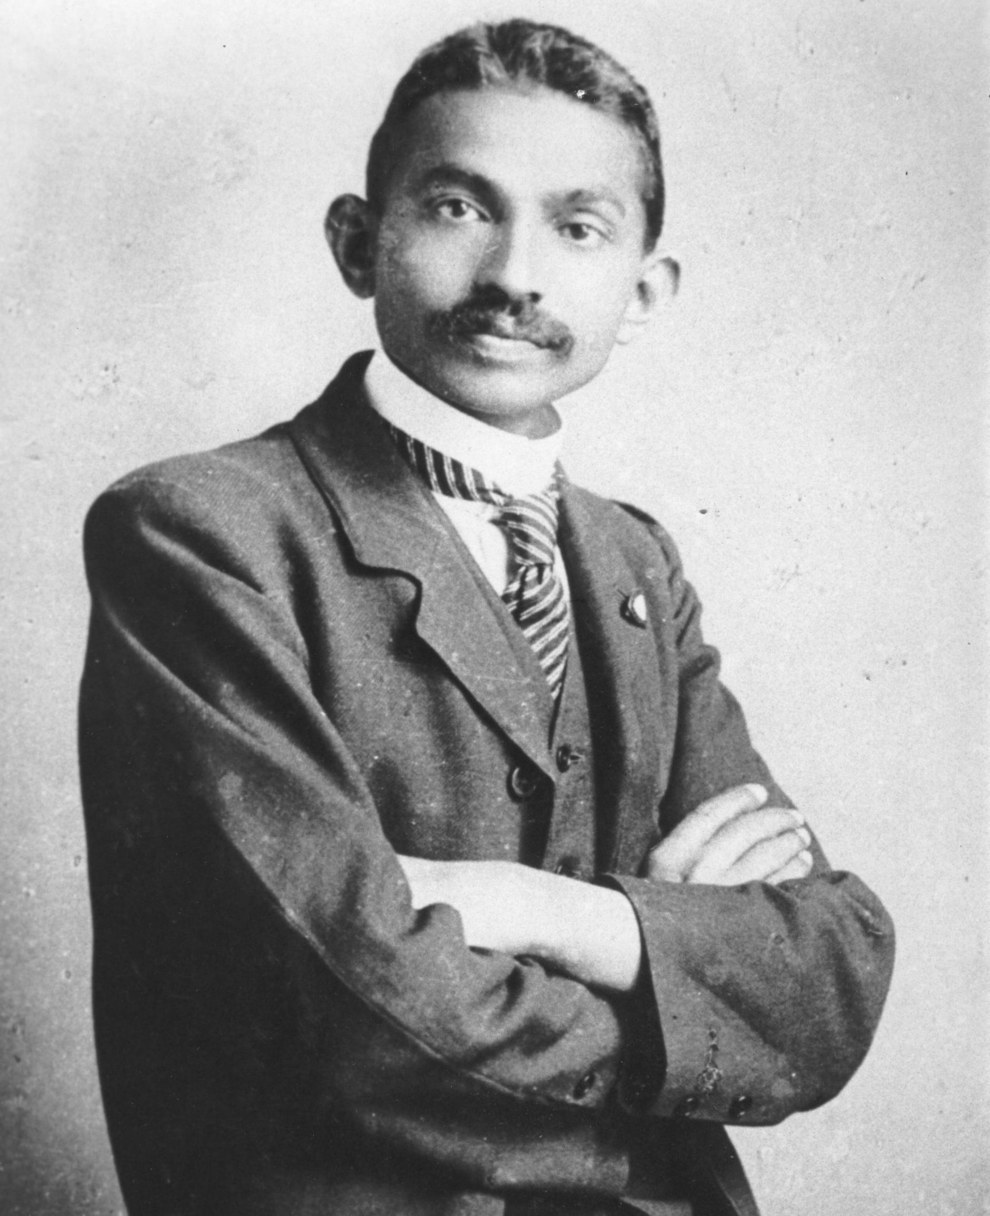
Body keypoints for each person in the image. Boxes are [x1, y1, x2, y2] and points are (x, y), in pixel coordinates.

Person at [79, 19, 894, 1216]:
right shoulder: (205, 533)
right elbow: (344, 1022)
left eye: (578, 227)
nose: (516, 274)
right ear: (358, 243)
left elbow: (828, 976)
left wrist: (555, 914)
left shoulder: (634, 563)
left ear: (644, 292)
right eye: (460, 207)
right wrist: (676, 978)